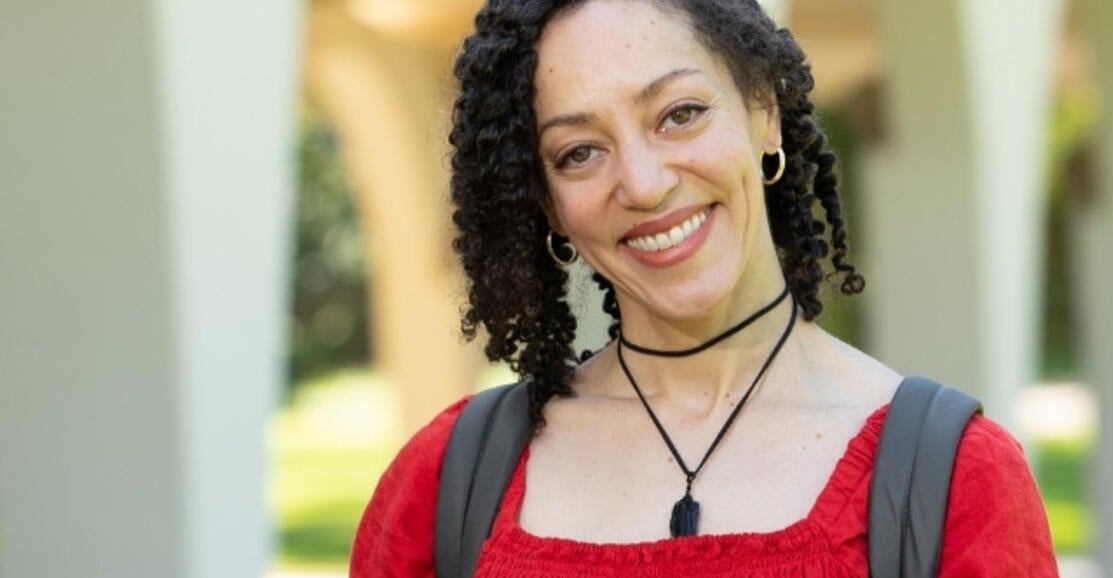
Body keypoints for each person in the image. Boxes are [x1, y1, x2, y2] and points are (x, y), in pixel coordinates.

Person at [351, 0, 1058, 574]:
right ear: (548, 206)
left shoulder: (955, 481)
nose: (645, 183)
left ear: (764, 111)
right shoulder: (446, 484)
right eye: (579, 153)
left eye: (679, 114)